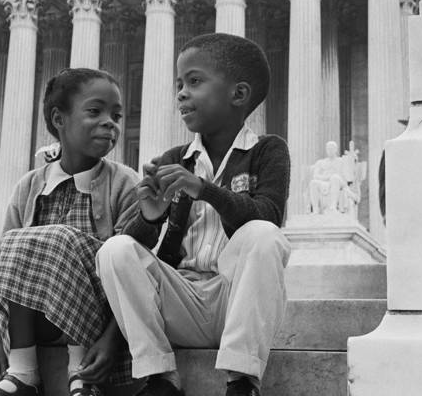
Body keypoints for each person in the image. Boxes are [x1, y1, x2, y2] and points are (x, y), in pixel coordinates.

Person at [96, 33, 291, 396]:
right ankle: (158, 377)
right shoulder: (174, 159)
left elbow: (268, 214)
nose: (181, 93)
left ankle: (241, 380)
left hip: (239, 301)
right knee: (115, 249)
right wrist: (151, 217)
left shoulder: (267, 150)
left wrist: (204, 189)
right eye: (179, 84)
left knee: (264, 234)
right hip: (180, 299)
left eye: (195, 81)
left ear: (239, 94)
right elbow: (132, 255)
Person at [0, 68, 141, 396]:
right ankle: (23, 371)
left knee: (60, 238)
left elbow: (134, 269)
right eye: (95, 112)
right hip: (39, 317)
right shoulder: (29, 186)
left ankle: (79, 372)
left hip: (100, 317)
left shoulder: (126, 183)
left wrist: (112, 338)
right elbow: (3, 267)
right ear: (59, 119)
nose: (110, 122)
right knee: (15, 242)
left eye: (117, 115)